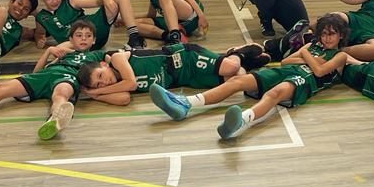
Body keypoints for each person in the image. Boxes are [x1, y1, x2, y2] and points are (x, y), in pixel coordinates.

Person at [148, 13, 351, 140]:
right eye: (324, 34)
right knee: (238, 81)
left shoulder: (341, 55)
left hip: (305, 81)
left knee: (276, 93)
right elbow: (286, 62)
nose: (326, 38)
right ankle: (186, 103)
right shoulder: (311, 47)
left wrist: (307, 57)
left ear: (341, 35)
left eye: (331, 34)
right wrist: (308, 55)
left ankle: (242, 121)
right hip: (287, 71)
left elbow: (319, 72)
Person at [77, 41, 269, 105]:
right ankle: (247, 61)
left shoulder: (117, 59)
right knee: (237, 78)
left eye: (101, 76)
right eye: (99, 84)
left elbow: (131, 84)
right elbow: (124, 98)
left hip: (182, 57)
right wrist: (96, 96)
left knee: (231, 68)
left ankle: (237, 53)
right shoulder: (114, 88)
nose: (105, 83)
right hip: (183, 78)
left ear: (103, 65)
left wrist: (97, 92)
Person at [33, 0, 137, 51]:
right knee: (60, 48)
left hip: (94, 29)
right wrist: (39, 40)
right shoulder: (41, 17)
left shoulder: (71, 2)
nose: (54, 1)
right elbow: (40, 33)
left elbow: (96, 2)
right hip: (73, 43)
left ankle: (134, 39)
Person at [117, 0, 207, 45]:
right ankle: (167, 36)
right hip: (182, 23)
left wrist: (201, 16)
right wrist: (125, 20)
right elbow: (150, 15)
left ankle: (175, 37)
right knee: (133, 26)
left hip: (193, 14)